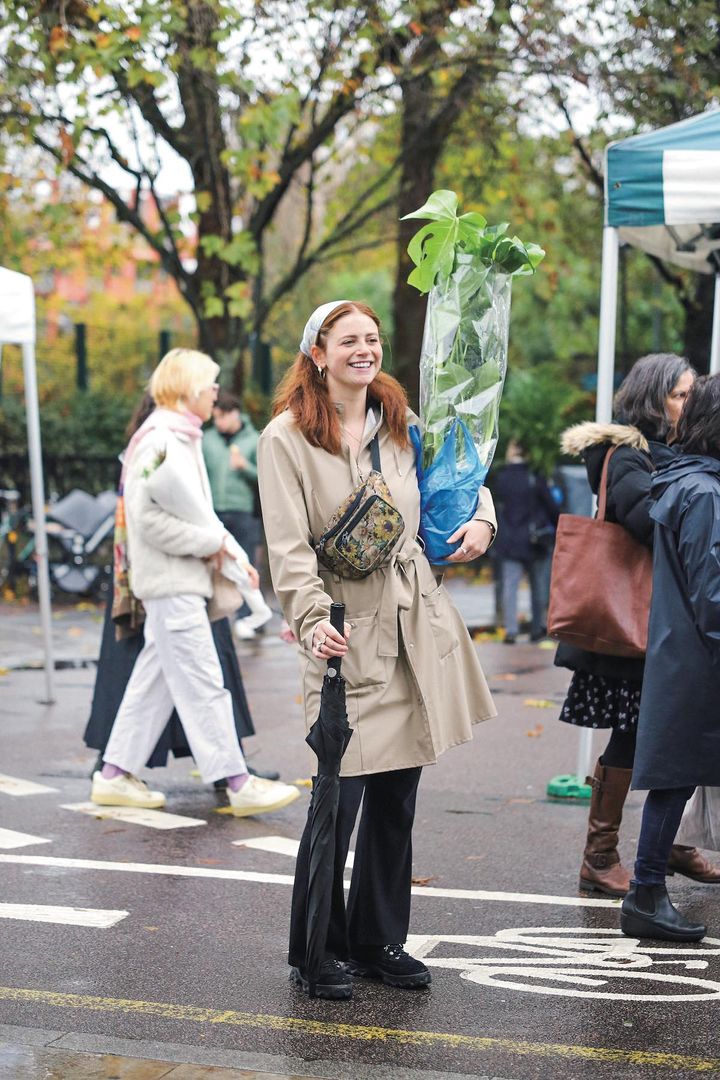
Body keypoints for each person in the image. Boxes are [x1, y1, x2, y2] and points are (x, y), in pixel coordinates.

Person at [258, 300, 497, 1001]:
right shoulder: (287, 439)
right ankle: (318, 949)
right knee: (340, 796)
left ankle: (379, 940)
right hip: (346, 631)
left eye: (372, 339)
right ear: (319, 354)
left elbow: (459, 486)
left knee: (397, 797)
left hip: (410, 630)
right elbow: (287, 546)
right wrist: (308, 619)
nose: (365, 349)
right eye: (348, 340)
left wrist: (481, 520)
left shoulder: (403, 426)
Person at [90, 348, 299, 817]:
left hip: (172, 581)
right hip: (173, 583)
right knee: (205, 683)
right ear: (188, 389)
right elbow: (150, 523)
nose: (216, 394)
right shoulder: (163, 441)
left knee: (155, 681)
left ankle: (114, 775)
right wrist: (214, 544)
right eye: (210, 386)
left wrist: (218, 548)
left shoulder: (171, 437)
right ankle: (238, 782)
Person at [556, 352, 719, 896]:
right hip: (633, 627)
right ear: (653, 399)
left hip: (660, 620)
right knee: (632, 737)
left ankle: (670, 843)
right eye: (679, 394)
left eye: (691, 394)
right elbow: (649, 522)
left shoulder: (673, 455)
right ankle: (599, 857)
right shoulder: (629, 455)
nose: (688, 402)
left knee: (676, 734)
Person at [621, 375, 720, 941]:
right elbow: (713, 595)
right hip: (698, 656)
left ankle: (646, 892)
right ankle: (645, 893)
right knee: (676, 778)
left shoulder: (689, 483)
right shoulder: (704, 493)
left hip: (685, 652)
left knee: (676, 778)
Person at [203, 390, 266, 639]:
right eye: (215, 417)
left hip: (243, 511)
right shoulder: (206, 439)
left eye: (222, 417)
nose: (218, 422)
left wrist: (245, 468)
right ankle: (215, 618)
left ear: (235, 413)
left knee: (245, 564)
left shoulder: (255, 439)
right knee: (213, 568)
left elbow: (267, 477)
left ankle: (248, 619)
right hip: (213, 511)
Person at [491, 439, 559, 643]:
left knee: (510, 586)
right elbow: (552, 508)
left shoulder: (501, 478)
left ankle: (511, 630)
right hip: (535, 540)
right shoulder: (535, 477)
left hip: (510, 540)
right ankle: (538, 627)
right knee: (538, 585)